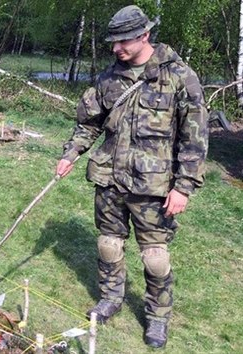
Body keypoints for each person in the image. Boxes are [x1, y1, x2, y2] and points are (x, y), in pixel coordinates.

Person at [55, 5, 208, 349]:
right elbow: (88, 122)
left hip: (154, 186)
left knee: (155, 257)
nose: (116, 48)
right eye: (113, 42)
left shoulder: (179, 77)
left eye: (123, 41)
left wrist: (183, 186)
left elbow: (195, 139)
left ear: (144, 36)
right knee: (109, 244)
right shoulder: (109, 78)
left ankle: (157, 317)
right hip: (110, 179)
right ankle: (111, 298)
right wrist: (70, 153)